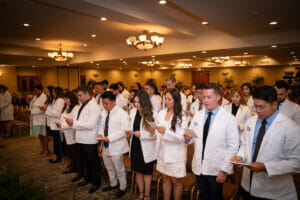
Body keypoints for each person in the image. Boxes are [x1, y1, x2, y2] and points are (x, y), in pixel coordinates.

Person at [230, 86, 300, 200]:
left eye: (261, 107)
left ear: (274, 105)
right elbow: (244, 144)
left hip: (273, 191)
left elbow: (297, 162)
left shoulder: (290, 128)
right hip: (247, 184)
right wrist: (240, 156)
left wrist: (267, 167)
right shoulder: (251, 122)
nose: (257, 111)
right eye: (255, 106)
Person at [184, 83, 239, 200]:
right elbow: (193, 137)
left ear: (218, 97)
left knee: (215, 197)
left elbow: (233, 147)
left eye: (209, 97)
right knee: (203, 196)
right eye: (203, 97)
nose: (205, 100)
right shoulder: (198, 115)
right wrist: (187, 138)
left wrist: (224, 171)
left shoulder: (229, 118)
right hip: (199, 167)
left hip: (217, 169)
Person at [65, 85, 101, 193]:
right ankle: (88, 178)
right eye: (78, 96)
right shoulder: (83, 104)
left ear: (87, 94)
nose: (78, 98)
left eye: (80, 95)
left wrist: (74, 123)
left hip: (89, 140)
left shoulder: (94, 106)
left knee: (93, 163)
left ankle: (96, 183)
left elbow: (91, 124)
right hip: (81, 138)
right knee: (86, 161)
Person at [156, 88, 187, 200]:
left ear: (176, 100)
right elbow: (158, 131)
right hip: (162, 152)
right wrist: (154, 130)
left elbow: (180, 138)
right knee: (165, 178)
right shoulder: (161, 112)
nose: (166, 101)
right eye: (165, 99)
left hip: (175, 154)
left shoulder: (181, 116)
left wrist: (166, 132)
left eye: (169, 99)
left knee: (176, 181)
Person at [98, 91, 130, 198]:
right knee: (108, 166)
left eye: (106, 103)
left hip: (117, 146)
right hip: (105, 144)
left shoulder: (122, 113)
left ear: (113, 102)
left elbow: (124, 130)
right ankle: (113, 183)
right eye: (103, 103)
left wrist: (110, 138)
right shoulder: (104, 112)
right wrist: (100, 134)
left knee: (119, 168)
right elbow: (101, 125)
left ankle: (123, 187)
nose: (105, 106)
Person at [129, 90, 157, 200]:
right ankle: (141, 193)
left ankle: (147, 195)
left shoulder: (152, 114)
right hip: (135, 145)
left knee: (146, 173)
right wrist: (128, 131)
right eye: (134, 101)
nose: (136, 104)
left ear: (144, 102)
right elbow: (130, 127)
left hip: (147, 147)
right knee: (138, 172)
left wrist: (142, 134)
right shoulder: (132, 112)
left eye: (138, 102)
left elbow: (155, 134)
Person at [56, 92, 83, 182]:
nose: (65, 101)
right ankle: (73, 167)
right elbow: (63, 118)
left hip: (73, 134)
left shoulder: (76, 108)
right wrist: (61, 123)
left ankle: (80, 172)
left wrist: (62, 125)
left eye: (66, 99)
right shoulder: (67, 107)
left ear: (71, 99)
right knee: (70, 153)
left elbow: (73, 123)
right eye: (65, 99)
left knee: (76, 155)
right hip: (66, 133)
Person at [45, 87, 65, 163]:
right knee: (56, 143)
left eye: (53, 92)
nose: (52, 93)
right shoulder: (56, 100)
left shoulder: (60, 100)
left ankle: (60, 158)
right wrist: (48, 109)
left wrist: (46, 109)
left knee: (59, 143)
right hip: (54, 124)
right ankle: (57, 156)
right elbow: (53, 111)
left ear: (57, 92)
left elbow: (56, 113)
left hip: (57, 124)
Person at [28, 84, 47, 155]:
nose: (34, 92)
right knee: (40, 135)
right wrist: (30, 109)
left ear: (41, 90)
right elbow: (32, 105)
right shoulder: (35, 97)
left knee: (44, 135)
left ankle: (46, 149)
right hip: (35, 118)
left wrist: (31, 111)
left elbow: (43, 109)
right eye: (34, 91)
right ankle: (42, 147)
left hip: (42, 119)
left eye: (36, 91)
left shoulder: (44, 97)